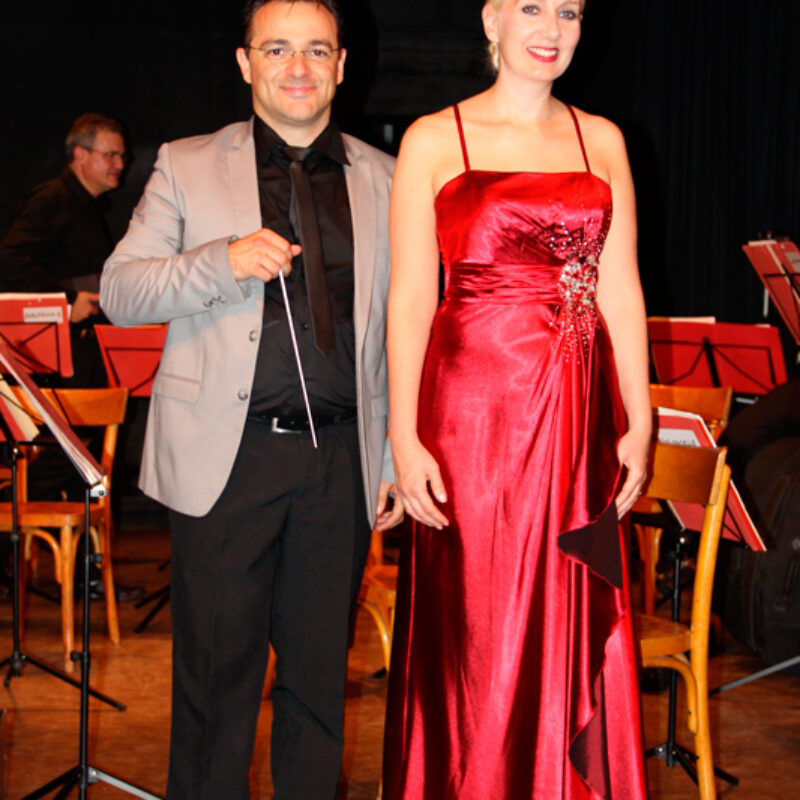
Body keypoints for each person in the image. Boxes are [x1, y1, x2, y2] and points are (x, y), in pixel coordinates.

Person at [100, 1, 400, 797]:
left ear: (342, 65)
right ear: (244, 63)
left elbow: (404, 333)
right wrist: (220, 261)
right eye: (277, 48)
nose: (297, 67)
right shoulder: (186, 162)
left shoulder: (387, 178)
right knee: (214, 688)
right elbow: (120, 290)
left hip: (339, 460)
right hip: (227, 462)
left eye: (315, 50)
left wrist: (395, 455)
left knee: (317, 685)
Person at [383, 1, 650, 798]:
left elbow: (621, 286)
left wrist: (638, 419)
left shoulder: (601, 139)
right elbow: (407, 297)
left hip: (574, 416)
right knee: (473, 624)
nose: (552, 27)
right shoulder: (435, 138)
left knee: (566, 599)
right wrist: (404, 432)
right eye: (531, 6)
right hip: (467, 417)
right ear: (492, 19)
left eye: (568, 10)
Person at [0, 112, 125, 385]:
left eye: (121, 156)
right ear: (80, 154)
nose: (120, 164)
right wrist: (66, 301)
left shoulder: (89, 208)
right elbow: (10, 259)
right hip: (57, 363)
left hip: (80, 355)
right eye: (111, 155)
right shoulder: (53, 200)